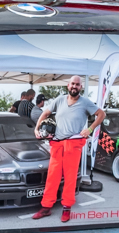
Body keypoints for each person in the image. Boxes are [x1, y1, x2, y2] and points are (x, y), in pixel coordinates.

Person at [31, 76, 106, 223]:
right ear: (68, 85)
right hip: (57, 143)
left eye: (77, 84)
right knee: (52, 176)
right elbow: (45, 113)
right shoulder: (59, 100)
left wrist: (90, 129)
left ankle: (66, 207)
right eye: (73, 84)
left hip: (73, 143)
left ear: (81, 87)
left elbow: (101, 114)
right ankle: (46, 207)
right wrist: (37, 128)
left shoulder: (85, 102)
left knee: (70, 178)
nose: (74, 86)